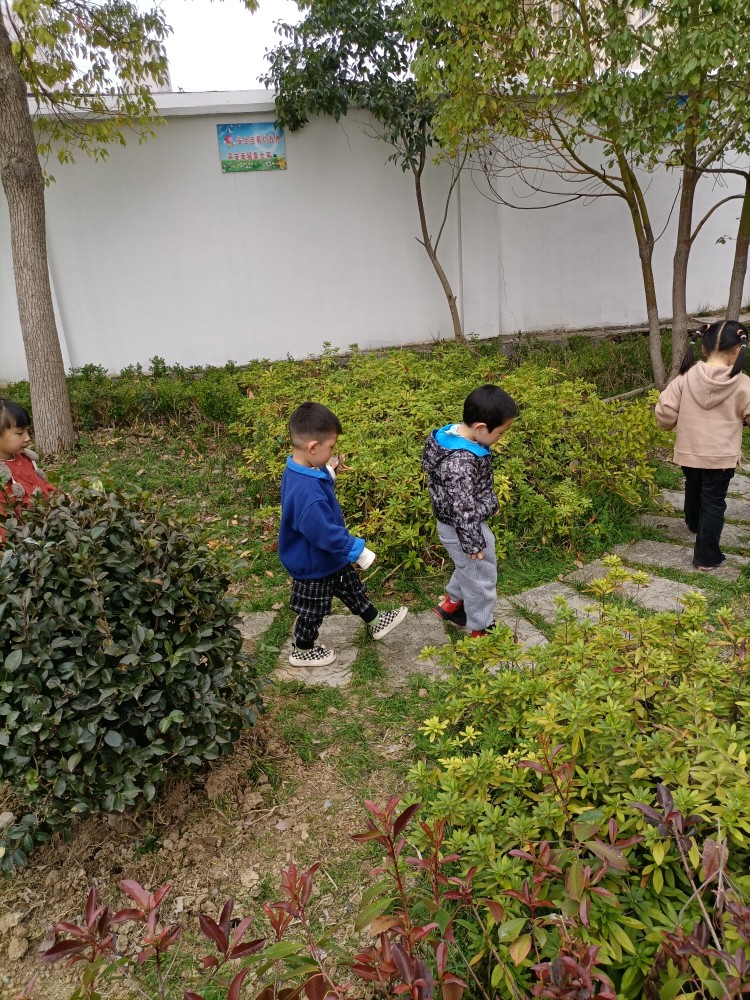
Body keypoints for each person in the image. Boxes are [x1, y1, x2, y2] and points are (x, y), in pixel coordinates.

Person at [278, 401, 407, 666]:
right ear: (313, 447)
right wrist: (356, 550)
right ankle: (303, 650)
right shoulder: (307, 493)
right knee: (312, 609)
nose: (333, 452)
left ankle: (374, 621)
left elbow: (314, 479)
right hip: (313, 562)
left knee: (351, 588)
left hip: (327, 557)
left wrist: (329, 471)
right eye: (331, 447)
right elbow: (323, 532)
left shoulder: (299, 468)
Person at [423, 384, 518, 637]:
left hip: (460, 524)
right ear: (480, 428)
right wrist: (473, 542)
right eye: (500, 432)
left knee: (470, 567)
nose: (501, 438)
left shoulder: (452, 436)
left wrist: (487, 504)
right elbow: (462, 505)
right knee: (481, 576)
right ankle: (481, 628)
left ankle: (453, 603)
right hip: (463, 527)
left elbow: (467, 493)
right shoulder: (461, 461)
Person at [655, 319, 750, 571]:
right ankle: (707, 557)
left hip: (689, 452)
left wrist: (671, 422)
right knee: (714, 502)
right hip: (721, 457)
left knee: (693, 485)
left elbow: (665, 412)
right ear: (738, 350)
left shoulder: (685, 377)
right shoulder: (743, 384)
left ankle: (693, 522)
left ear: (704, 347)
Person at [0, 400, 54, 541]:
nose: (27, 438)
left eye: (27, 431)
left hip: (45, 527)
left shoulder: (26, 459)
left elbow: (44, 486)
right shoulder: (2, 475)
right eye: (20, 433)